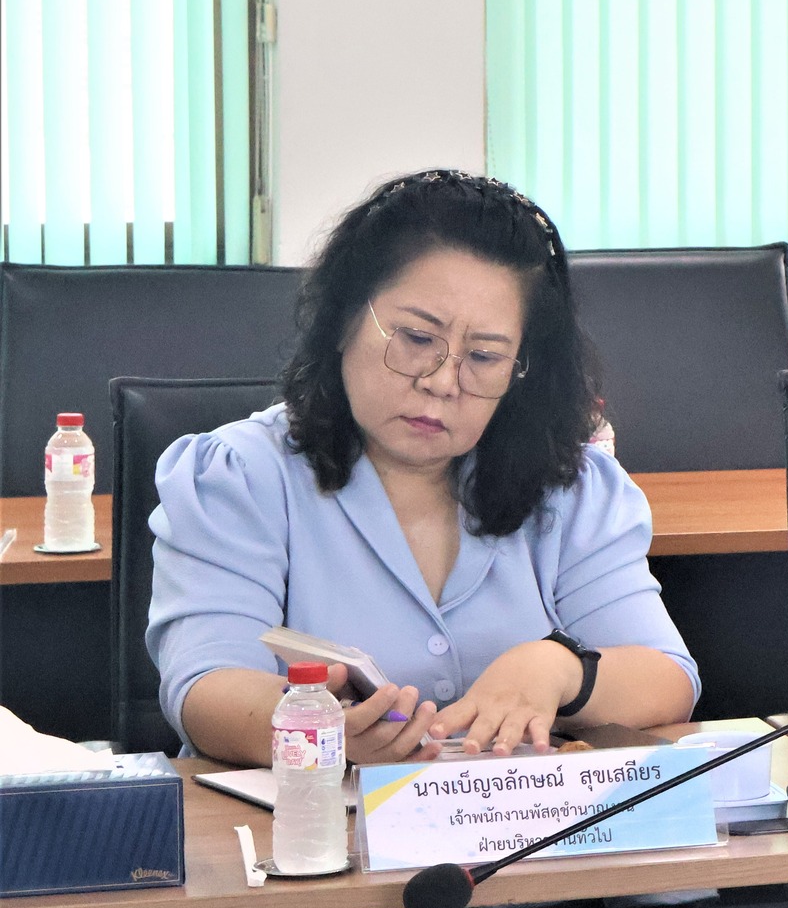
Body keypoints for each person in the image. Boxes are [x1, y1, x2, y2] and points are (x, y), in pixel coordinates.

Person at [148, 170, 698, 766]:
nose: (442, 381)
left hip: (516, 819)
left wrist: (561, 669)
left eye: (483, 356)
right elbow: (205, 687)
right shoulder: (240, 475)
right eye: (415, 338)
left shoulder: (569, 486)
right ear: (343, 320)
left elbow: (668, 679)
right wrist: (319, 731)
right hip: (309, 813)